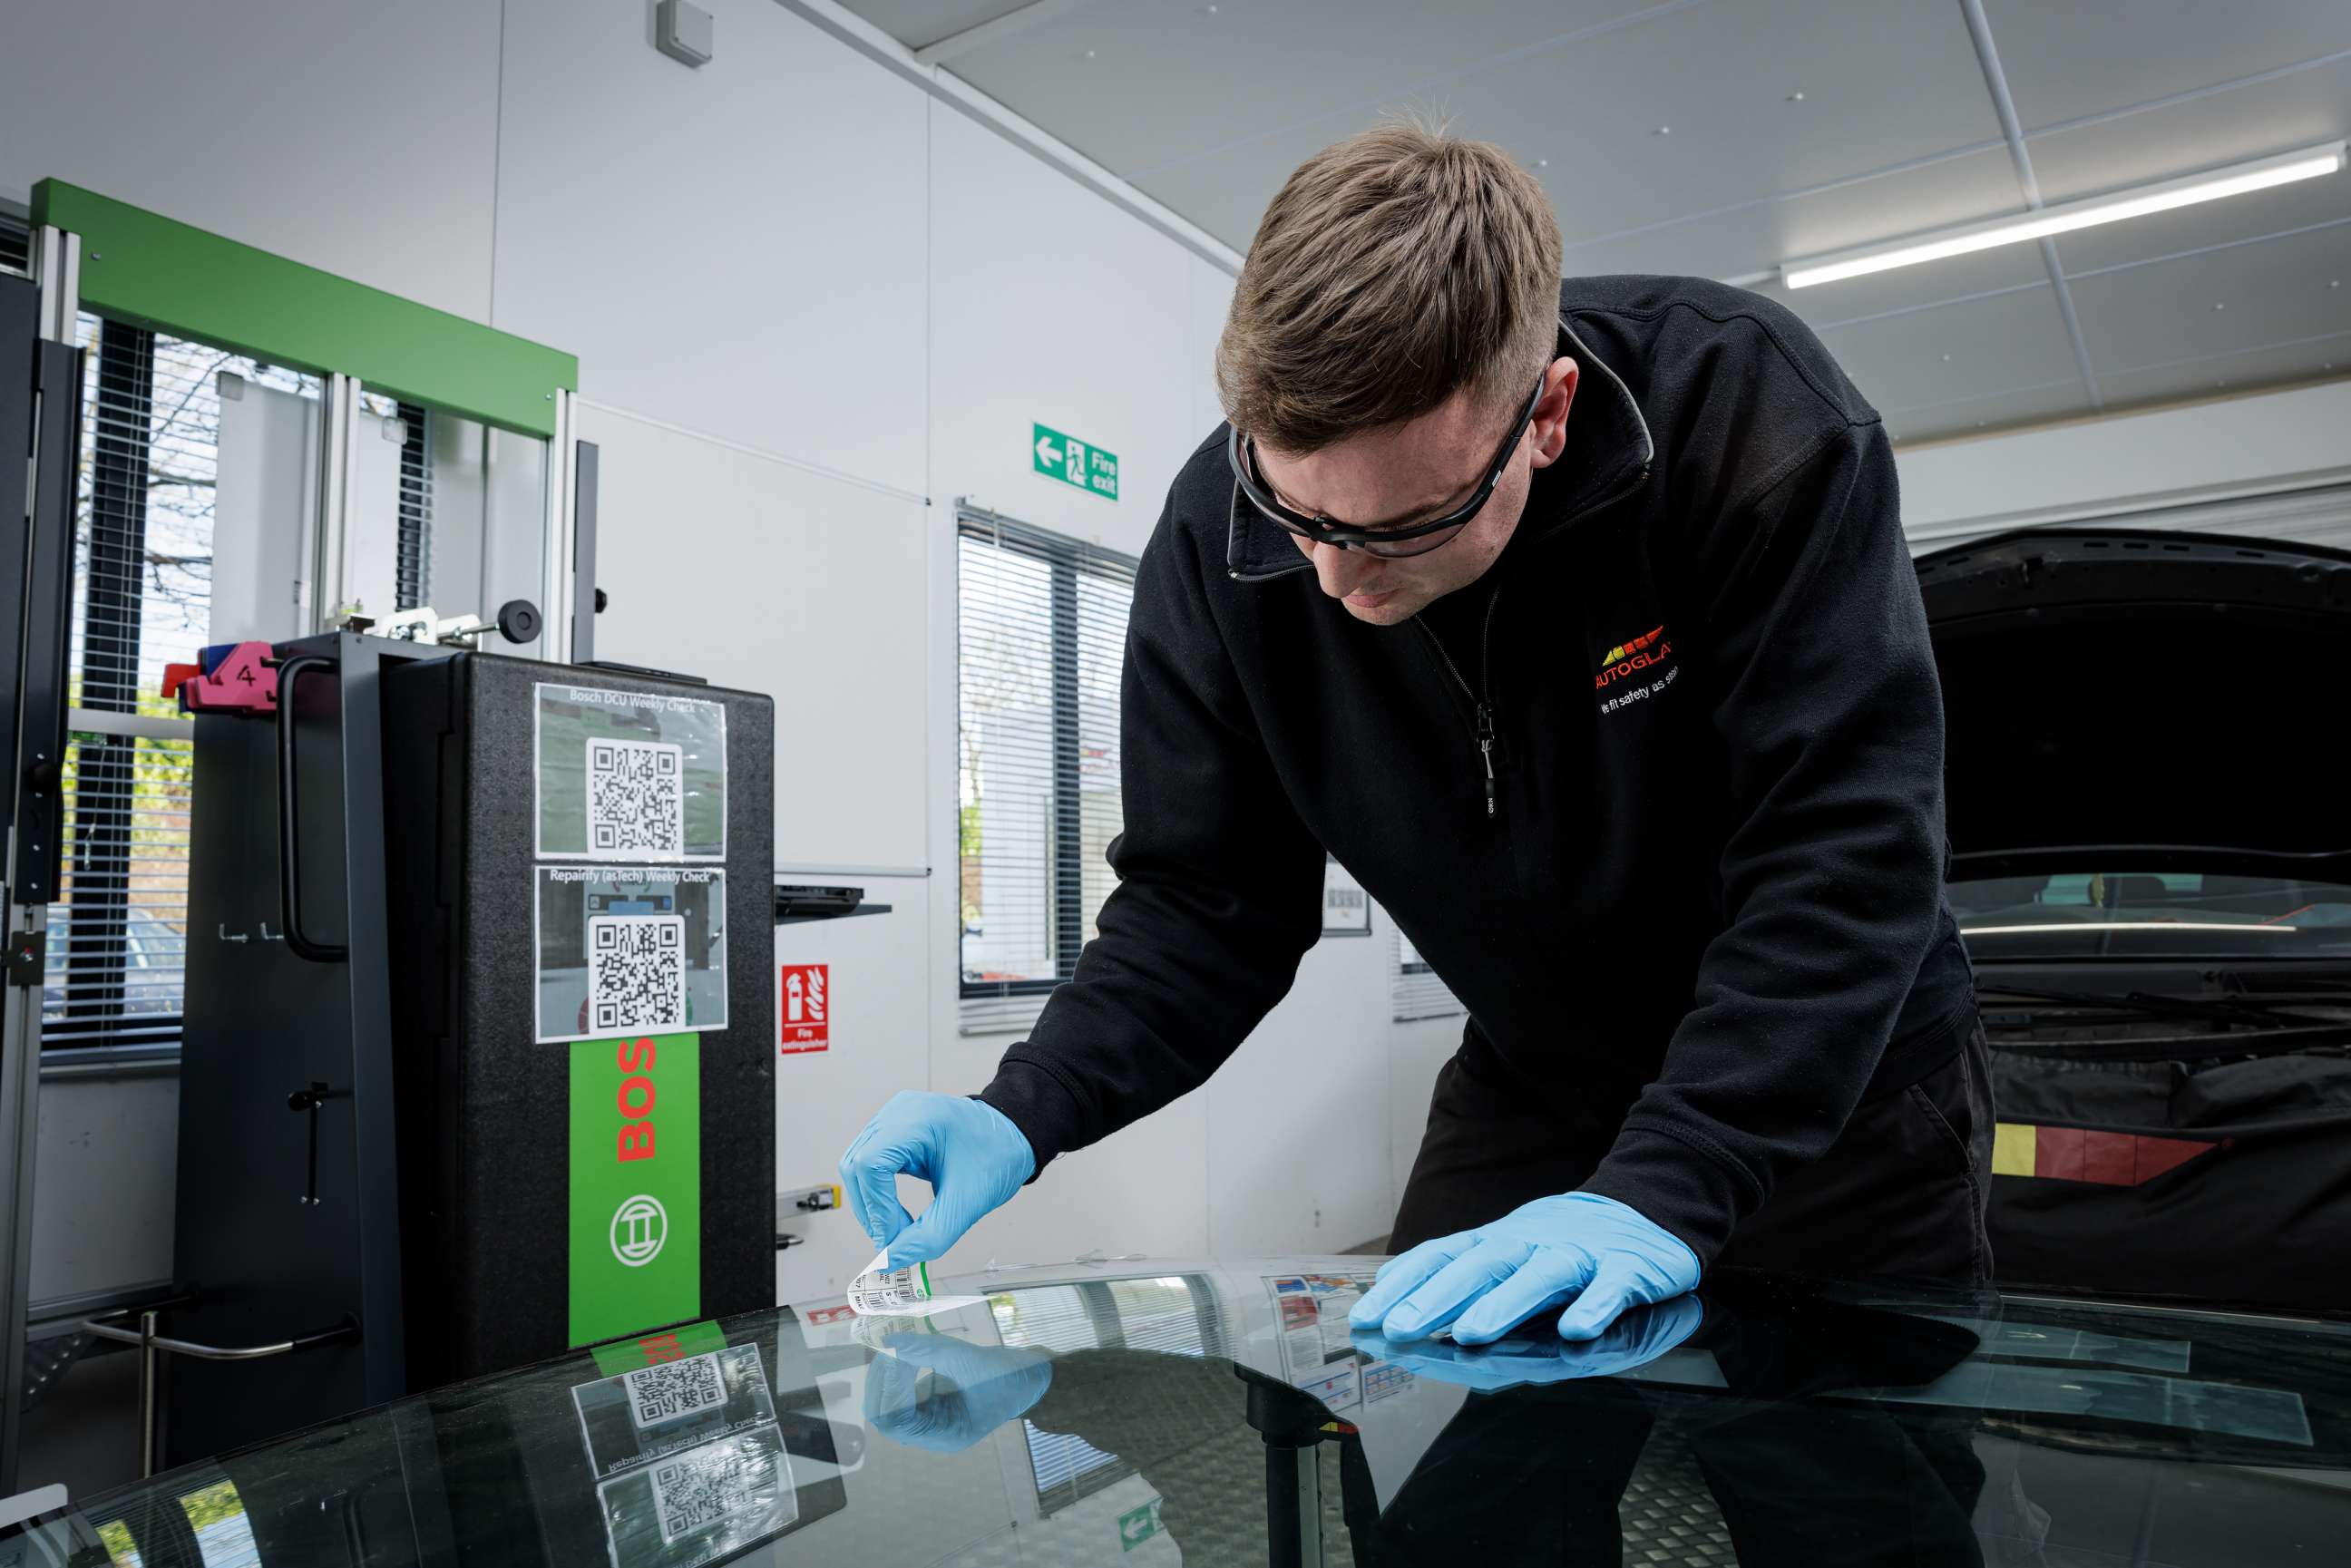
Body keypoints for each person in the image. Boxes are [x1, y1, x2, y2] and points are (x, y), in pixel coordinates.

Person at [841, 119, 1990, 1347]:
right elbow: (1207, 903)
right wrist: (1029, 1105)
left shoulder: (1750, 423)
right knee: (1455, 1472)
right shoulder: (1216, 533)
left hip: (1832, 1089)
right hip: (1539, 1081)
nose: (1335, 580)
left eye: (1403, 527)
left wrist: (1670, 1179)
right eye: (1298, 511)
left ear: (1548, 415)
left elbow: (1846, 856)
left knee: (1851, 1500)